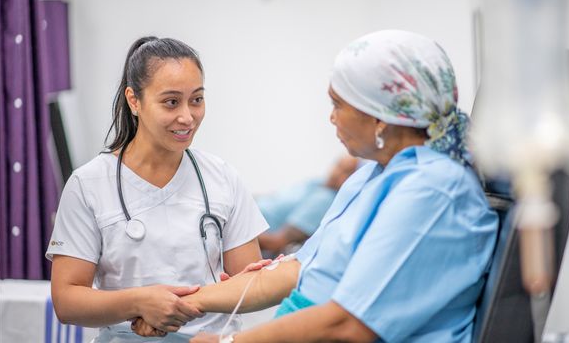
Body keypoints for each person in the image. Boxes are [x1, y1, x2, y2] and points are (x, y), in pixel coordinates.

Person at [134, 30, 499, 342]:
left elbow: (348, 326)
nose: (331, 117)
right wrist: (186, 302)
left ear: (380, 116)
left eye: (338, 104)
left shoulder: (432, 191)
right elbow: (298, 272)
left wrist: (230, 341)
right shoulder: (372, 175)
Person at [45, 37, 270, 342]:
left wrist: (177, 306)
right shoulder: (88, 185)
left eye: (197, 99)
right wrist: (139, 303)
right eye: (171, 102)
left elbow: (250, 286)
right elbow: (67, 300)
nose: (187, 117)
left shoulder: (222, 178)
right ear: (134, 100)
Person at [256, 155, 358, 256]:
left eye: (347, 172)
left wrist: (245, 229)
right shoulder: (316, 183)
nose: (337, 173)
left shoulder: (324, 201)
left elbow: (275, 243)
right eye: (339, 166)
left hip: (252, 235)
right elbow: (273, 198)